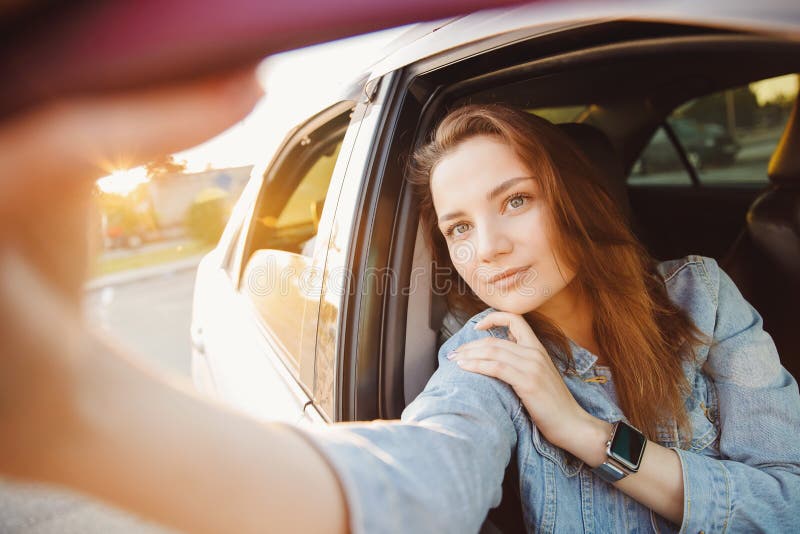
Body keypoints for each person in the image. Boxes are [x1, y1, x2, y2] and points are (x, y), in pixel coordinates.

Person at [0, 76, 797, 534]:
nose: (485, 247)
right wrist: (84, 417)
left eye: (515, 201)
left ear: (572, 201)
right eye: (458, 226)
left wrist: (586, 434)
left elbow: (789, 498)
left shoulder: (701, 292)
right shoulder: (487, 361)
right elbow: (423, 480)